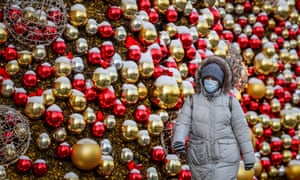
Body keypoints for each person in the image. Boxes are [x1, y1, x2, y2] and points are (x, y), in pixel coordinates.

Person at [172, 55, 256, 180]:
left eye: (214, 79)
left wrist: (249, 157)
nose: (210, 81)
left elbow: (242, 131)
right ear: (202, 80)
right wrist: (178, 140)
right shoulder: (193, 101)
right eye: (207, 78)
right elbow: (183, 123)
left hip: (225, 157)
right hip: (199, 157)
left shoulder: (230, 103)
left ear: (221, 82)